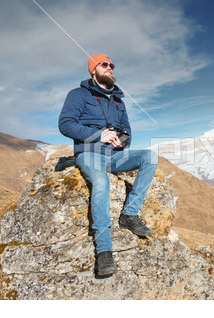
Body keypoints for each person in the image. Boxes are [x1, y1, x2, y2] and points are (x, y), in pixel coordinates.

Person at [59, 53, 157, 276]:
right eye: (105, 65)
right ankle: (104, 251)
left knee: (149, 157)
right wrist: (97, 135)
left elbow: (128, 131)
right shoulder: (78, 95)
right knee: (101, 183)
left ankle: (129, 215)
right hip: (89, 153)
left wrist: (122, 140)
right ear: (93, 70)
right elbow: (65, 125)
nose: (110, 67)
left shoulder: (118, 100)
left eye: (112, 65)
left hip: (115, 155)